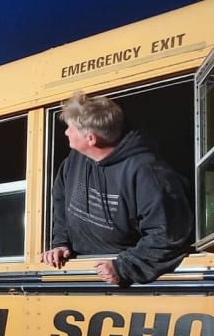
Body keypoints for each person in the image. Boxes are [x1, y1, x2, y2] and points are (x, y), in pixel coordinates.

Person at [40, 91, 193, 285]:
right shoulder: (74, 160)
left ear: (91, 139)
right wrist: (61, 243)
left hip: (119, 279)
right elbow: (61, 199)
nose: (66, 132)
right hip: (81, 270)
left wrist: (125, 267)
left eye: (70, 128)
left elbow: (168, 236)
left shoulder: (147, 172)